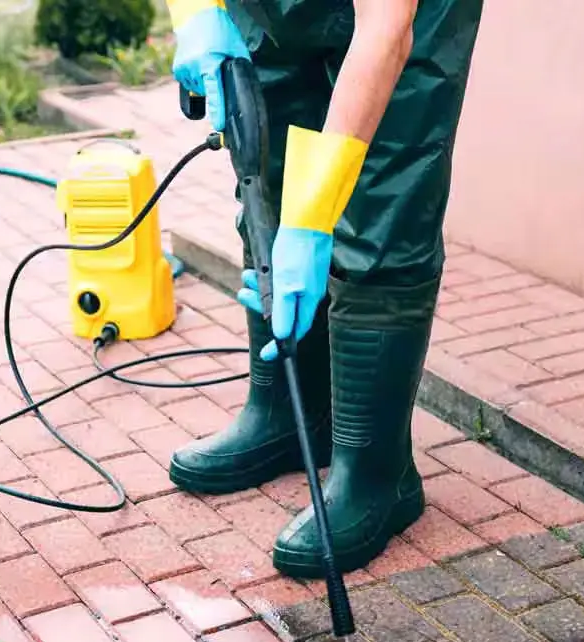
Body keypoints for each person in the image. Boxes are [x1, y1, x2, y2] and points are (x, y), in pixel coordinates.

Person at [163, 0, 484, 580]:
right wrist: (191, 14)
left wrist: (312, 222)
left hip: (403, 21)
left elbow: (385, 31)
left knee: (383, 205)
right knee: (269, 163)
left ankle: (375, 474)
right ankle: (287, 412)